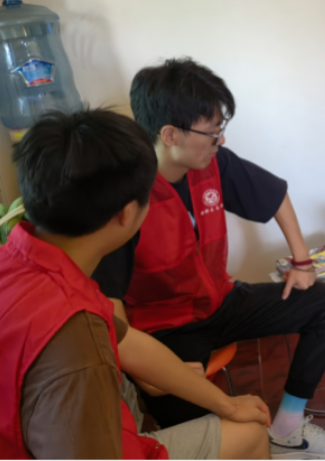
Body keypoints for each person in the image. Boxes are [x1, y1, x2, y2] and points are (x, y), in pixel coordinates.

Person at [92, 58, 325, 460]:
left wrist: (302, 262)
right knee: (222, 439)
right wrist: (149, 374)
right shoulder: (127, 199)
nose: (221, 140)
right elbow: (110, 309)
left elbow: (274, 196)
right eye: (212, 132)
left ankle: (287, 428)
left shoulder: (214, 163)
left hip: (223, 301)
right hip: (166, 332)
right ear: (170, 134)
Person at [0, 109, 273, 459]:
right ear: (127, 213)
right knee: (251, 434)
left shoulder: (24, 262)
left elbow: (128, 343)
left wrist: (227, 405)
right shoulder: (78, 346)